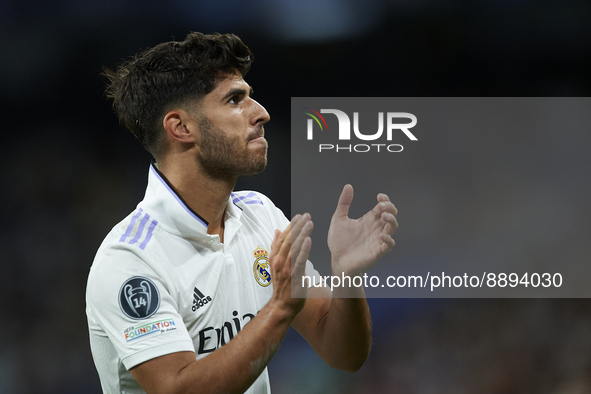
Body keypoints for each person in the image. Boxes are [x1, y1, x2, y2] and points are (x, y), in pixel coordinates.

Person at [85, 32, 399, 394]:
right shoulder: (131, 257)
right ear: (181, 127)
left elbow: (344, 354)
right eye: (235, 100)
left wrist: (346, 275)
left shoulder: (261, 216)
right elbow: (177, 389)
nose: (261, 113)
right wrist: (280, 308)